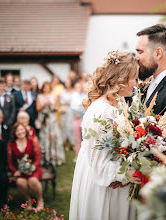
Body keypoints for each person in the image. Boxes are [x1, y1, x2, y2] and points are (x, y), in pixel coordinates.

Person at [69, 50, 142, 220]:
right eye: (134, 78)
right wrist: (127, 173)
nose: (136, 83)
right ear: (121, 79)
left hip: (112, 184)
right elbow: (98, 164)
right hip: (103, 188)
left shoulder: (114, 106)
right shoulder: (102, 111)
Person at [7, 123, 43, 210]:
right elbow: (9, 161)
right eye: (17, 130)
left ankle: (40, 200)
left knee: (32, 181)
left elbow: (38, 157)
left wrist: (32, 168)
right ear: (14, 133)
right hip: (20, 171)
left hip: (34, 169)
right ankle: (28, 200)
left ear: (25, 131)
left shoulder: (32, 141)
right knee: (20, 182)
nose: (20, 132)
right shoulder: (11, 144)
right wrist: (15, 171)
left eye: (21, 129)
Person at [36, 82, 65, 166]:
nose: (47, 89)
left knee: (54, 137)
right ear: (43, 88)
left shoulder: (54, 96)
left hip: (52, 119)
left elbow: (57, 108)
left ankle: (55, 158)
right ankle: (45, 158)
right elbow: (38, 108)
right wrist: (44, 104)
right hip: (44, 118)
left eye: (48, 87)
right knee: (44, 138)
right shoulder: (40, 97)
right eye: (45, 87)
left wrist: (52, 104)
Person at [70, 82, 87, 162]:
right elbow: (73, 107)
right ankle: (77, 155)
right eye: (77, 87)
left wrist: (80, 110)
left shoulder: (85, 95)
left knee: (85, 138)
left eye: (80, 86)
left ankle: (84, 155)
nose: (79, 88)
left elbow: (84, 107)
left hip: (83, 119)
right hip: (76, 119)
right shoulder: (74, 96)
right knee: (77, 138)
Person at [59, 78, 74, 151]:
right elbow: (61, 101)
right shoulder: (63, 92)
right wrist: (66, 102)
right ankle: (67, 144)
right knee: (65, 127)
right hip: (65, 111)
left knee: (71, 128)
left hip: (71, 111)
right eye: (66, 82)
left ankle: (73, 143)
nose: (67, 84)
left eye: (68, 82)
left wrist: (71, 103)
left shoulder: (74, 91)